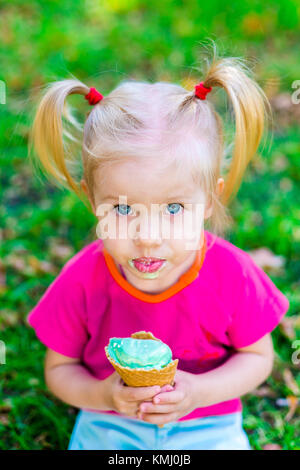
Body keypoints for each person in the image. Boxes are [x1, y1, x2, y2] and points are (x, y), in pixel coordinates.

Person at [26, 43, 289, 450]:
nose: (149, 236)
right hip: (110, 423)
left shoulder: (231, 274)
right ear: (92, 200)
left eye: (173, 208)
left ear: (209, 200)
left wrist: (200, 392)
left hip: (207, 424)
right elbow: (60, 369)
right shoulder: (83, 279)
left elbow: (257, 359)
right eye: (124, 208)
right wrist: (103, 397)